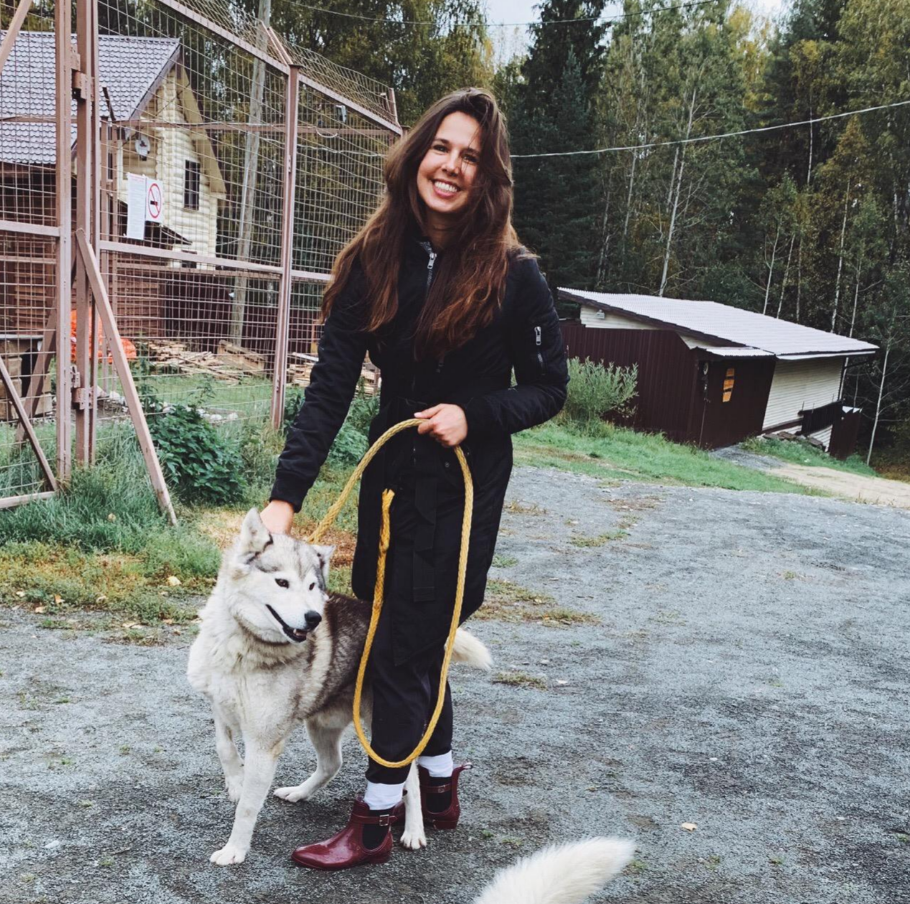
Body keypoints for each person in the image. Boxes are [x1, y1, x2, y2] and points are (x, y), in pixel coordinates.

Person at [259, 87, 568, 870]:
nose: (452, 166)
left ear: (488, 177)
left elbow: (549, 389)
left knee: (401, 646)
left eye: (471, 157)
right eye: (442, 148)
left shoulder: (516, 275)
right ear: (417, 155)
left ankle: (374, 820)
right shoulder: (372, 260)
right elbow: (330, 387)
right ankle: (440, 781)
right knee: (405, 632)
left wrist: (476, 412)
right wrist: (285, 499)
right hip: (391, 481)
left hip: (462, 488)